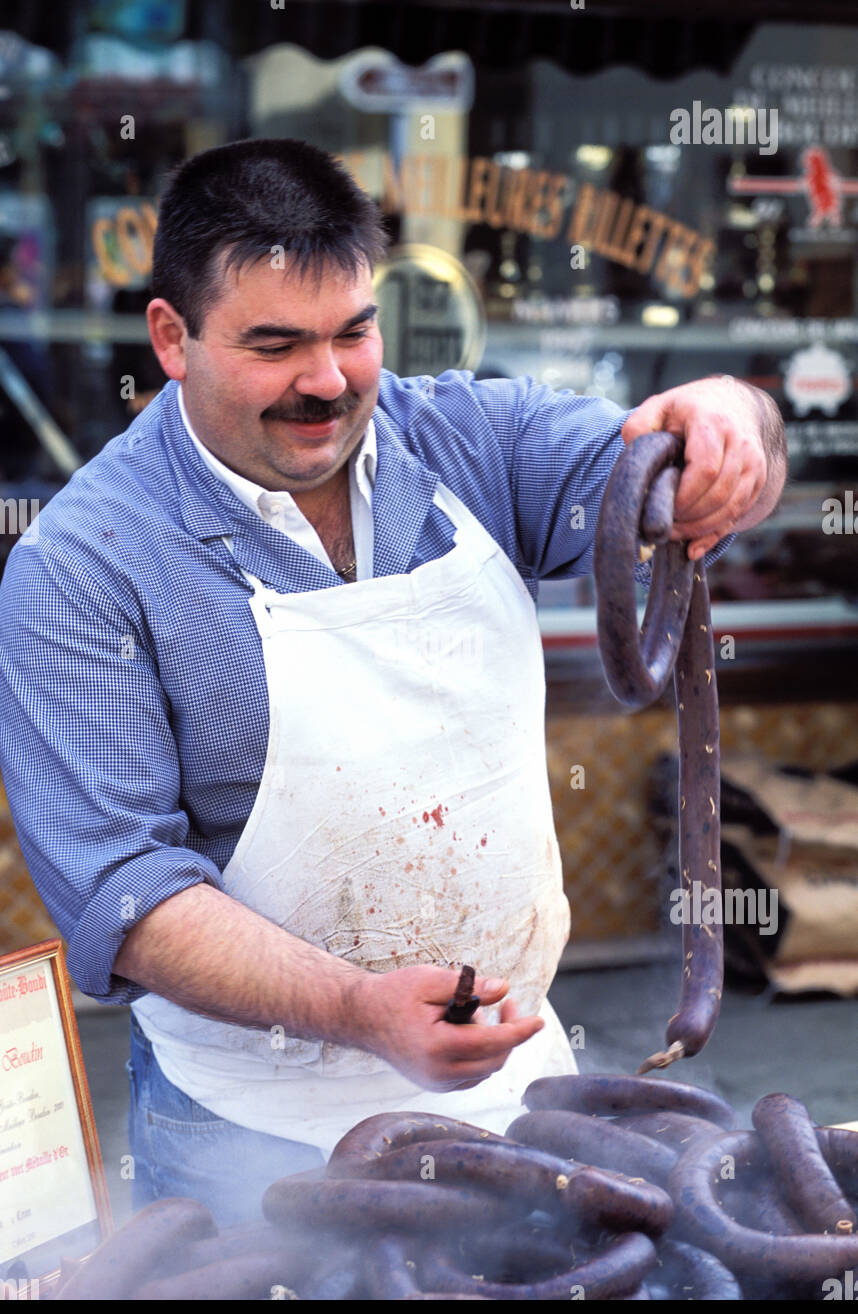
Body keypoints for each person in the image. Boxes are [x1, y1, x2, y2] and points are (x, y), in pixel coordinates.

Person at [0, 139, 786, 1226]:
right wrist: (359, 1009)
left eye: (352, 333)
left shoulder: (462, 437)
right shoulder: (83, 567)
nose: (326, 382)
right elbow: (123, 892)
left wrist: (735, 423)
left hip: (524, 1088)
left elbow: (655, 471)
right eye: (275, 345)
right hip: (254, 1127)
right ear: (171, 339)